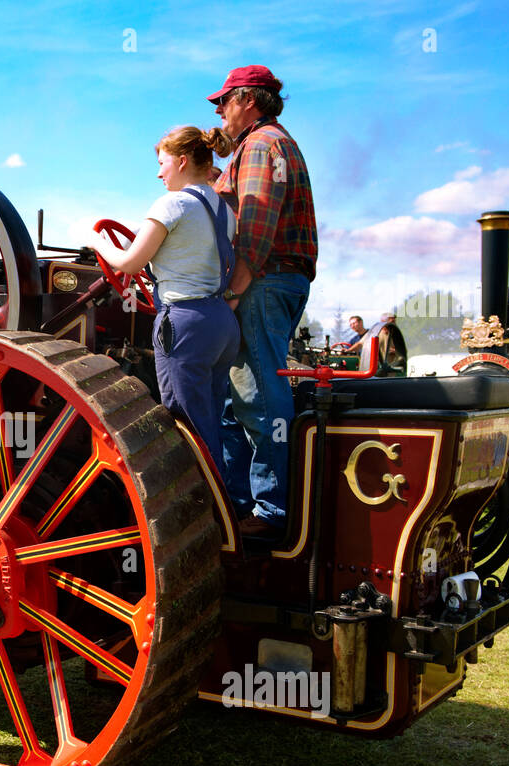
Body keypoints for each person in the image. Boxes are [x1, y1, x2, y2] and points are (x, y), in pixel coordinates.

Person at [209, 64, 318, 539]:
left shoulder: (259, 145)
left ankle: (271, 512)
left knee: (255, 393)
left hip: (263, 281)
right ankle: (238, 502)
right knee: (240, 396)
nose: (218, 111)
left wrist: (232, 291)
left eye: (224, 102)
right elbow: (235, 200)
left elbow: (253, 228)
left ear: (247, 101)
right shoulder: (266, 145)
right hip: (279, 281)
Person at [90, 125, 240, 463]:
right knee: (211, 417)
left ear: (182, 161)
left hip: (184, 323)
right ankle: (224, 501)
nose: (159, 173)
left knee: (186, 425)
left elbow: (130, 262)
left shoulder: (173, 204)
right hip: (221, 322)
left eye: (162, 163)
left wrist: (96, 242)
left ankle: (199, 507)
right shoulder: (224, 211)